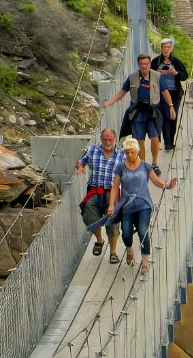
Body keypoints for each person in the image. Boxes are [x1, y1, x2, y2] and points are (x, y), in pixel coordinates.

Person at [107, 137, 179, 276]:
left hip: (143, 204)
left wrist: (167, 186)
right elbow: (115, 187)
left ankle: (145, 261)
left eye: (132, 152)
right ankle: (129, 250)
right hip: (127, 205)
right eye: (127, 152)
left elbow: (156, 181)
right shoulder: (121, 167)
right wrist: (111, 205)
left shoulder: (145, 166)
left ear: (137, 151)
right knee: (126, 233)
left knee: (142, 230)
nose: (130, 155)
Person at [100, 54, 172, 167]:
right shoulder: (132, 77)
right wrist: (111, 102)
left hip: (153, 111)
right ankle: (143, 164)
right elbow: (122, 91)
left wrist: (171, 106)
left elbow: (165, 92)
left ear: (149, 64)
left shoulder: (157, 76)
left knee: (155, 137)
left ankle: (154, 164)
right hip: (138, 112)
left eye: (146, 64)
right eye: (141, 64)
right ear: (138, 64)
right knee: (139, 140)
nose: (144, 66)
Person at [76, 126, 124, 262]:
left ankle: (113, 252)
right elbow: (81, 162)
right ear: (101, 139)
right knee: (88, 214)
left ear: (115, 139)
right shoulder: (92, 150)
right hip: (94, 190)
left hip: (112, 192)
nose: (107, 142)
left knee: (112, 220)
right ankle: (99, 240)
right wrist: (80, 168)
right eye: (105, 139)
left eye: (110, 140)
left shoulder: (122, 154)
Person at [152, 37, 190, 156]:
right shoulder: (156, 61)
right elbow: (149, 75)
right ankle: (167, 142)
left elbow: (185, 76)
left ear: (171, 49)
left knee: (173, 116)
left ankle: (171, 140)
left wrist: (176, 73)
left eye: (168, 47)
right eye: (164, 47)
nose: (166, 49)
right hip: (162, 93)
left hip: (175, 93)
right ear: (161, 48)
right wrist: (159, 73)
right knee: (165, 117)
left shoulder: (176, 62)